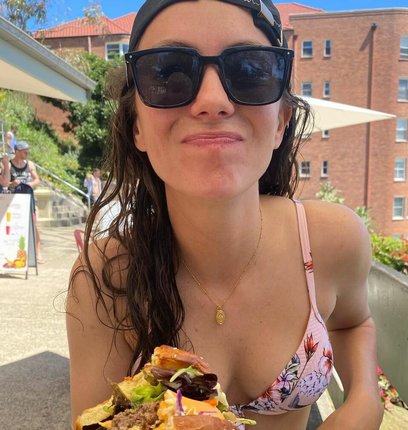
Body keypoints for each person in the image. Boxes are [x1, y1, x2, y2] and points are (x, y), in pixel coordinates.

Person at [67, 1, 384, 429]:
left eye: (250, 71)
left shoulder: (330, 240)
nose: (213, 101)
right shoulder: (104, 277)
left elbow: (353, 322)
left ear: (281, 121)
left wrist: (364, 397)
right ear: (136, 125)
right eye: (168, 73)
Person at [9, 141, 43, 263]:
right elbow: (4, 182)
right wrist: (12, 184)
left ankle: (38, 253)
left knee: (35, 225)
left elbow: (37, 180)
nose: (27, 153)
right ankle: (13, 253)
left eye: (27, 150)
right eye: (25, 151)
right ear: (17, 151)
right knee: (13, 226)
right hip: (13, 201)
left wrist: (29, 184)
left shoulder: (30, 164)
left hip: (29, 198)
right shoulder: (9, 165)